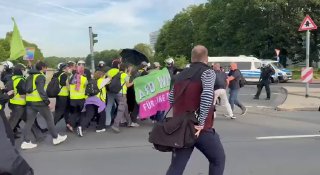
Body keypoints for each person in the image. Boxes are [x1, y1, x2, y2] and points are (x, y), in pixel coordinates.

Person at [166, 45, 225, 175]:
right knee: (218, 159)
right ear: (206, 58)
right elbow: (207, 94)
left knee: (176, 167)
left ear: (192, 58)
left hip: (181, 129)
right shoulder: (208, 72)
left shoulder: (180, 75)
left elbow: (171, 99)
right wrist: (201, 122)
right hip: (201, 130)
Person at [21, 61, 67, 150]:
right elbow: (41, 91)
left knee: (29, 122)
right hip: (40, 102)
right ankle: (56, 137)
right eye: (46, 67)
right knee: (49, 119)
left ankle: (25, 142)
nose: (46, 69)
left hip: (30, 102)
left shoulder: (30, 76)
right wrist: (47, 102)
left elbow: (25, 89)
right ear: (42, 67)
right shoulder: (40, 76)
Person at [77, 71, 107, 136]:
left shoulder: (91, 82)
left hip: (89, 99)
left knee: (89, 115)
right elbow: (109, 79)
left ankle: (81, 127)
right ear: (101, 76)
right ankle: (100, 128)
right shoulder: (101, 80)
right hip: (98, 100)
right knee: (102, 113)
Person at [109, 63, 134, 133]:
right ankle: (115, 125)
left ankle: (129, 122)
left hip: (116, 93)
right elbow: (128, 85)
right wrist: (133, 82)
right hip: (122, 94)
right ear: (125, 69)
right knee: (121, 109)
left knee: (125, 107)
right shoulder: (125, 75)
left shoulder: (117, 74)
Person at [69, 65, 88, 134]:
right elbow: (86, 87)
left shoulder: (71, 78)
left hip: (72, 98)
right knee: (82, 113)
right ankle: (80, 127)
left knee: (74, 112)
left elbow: (68, 86)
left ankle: (70, 124)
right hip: (81, 98)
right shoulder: (84, 79)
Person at [53, 63, 71, 127]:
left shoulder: (57, 74)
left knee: (66, 110)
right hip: (63, 95)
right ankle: (52, 125)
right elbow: (62, 83)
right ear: (65, 68)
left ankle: (68, 124)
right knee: (60, 111)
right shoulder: (64, 74)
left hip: (59, 94)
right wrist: (68, 83)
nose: (68, 69)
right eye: (67, 67)